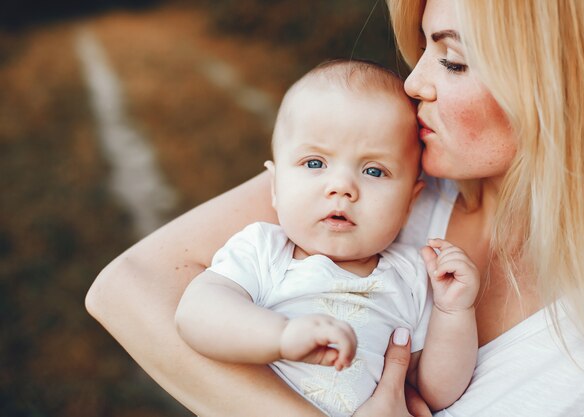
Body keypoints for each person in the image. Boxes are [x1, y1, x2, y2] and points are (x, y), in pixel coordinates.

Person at [85, 0, 584, 415]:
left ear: (564, 88)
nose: (414, 82)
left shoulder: (396, 198)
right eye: (425, 50)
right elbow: (129, 288)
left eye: (454, 61)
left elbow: (435, 385)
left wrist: (453, 313)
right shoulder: (372, 182)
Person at [174, 59, 480, 417]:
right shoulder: (265, 251)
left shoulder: (411, 276)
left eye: (373, 170)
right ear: (274, 186)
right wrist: (281, 337)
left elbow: (437, 391)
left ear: (410, 203)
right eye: (315, 163)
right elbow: (196, 314)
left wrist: (454, 312)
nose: (342, 188)